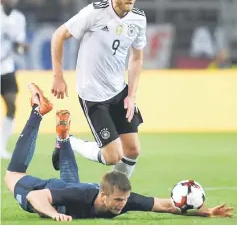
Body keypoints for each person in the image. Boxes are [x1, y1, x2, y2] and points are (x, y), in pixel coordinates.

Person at [4, 83, 234, 221]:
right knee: (12, 175)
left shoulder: (123, 200)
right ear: (103, 197)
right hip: (50, 192)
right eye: (118, 200)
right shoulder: (84, 196)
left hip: (68, 194)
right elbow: (36, 197)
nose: (122, 205)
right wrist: (54, 215)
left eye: (124, 200)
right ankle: (38, 111)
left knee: (69, 187)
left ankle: (64, 140)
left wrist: (202, 212)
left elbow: (165, 205)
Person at [51, 0, 146, 179]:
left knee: (132, 150)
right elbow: (58, 36)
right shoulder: (94, 13)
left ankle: (116, 194)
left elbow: (137, 57)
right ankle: (68, 140)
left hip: (119, 91)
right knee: (112, 156)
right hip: (93, 95)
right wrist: (58, 76)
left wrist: (131, 95)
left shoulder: (139, 19)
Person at [1, 0, 28, 159]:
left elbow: (18, 45)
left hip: (6, 68)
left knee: (12, 105)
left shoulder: (19, 18)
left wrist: (21, 48)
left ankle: (1, 147)